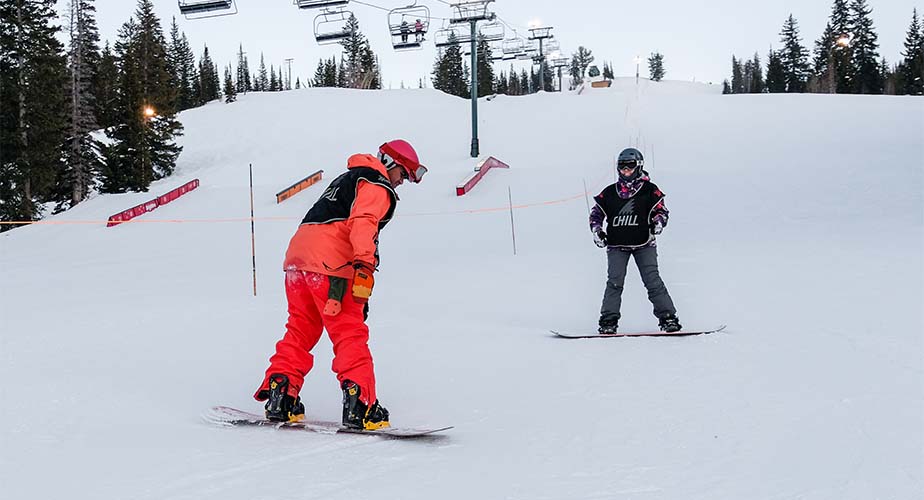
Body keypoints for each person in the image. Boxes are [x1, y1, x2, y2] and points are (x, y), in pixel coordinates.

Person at [254, 140, 428, 429]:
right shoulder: (376, 184)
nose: (402, 182)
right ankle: (361, 404)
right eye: (403, 174)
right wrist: (363, 264)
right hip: (332, 267)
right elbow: (363, 221)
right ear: (390, 164)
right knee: (349, 331)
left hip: (297, 264)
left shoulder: (348, 178)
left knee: (300, 328)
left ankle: (281, 394)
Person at [589, 147, 682, 334]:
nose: (626, 171)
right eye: (622, 167)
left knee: (652, 281)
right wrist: (596, 230)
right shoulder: (609, 192)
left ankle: (668, 317)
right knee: (614, 282)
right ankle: (608, 320)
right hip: (617, 244)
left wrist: (658, 222)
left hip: (644, 243)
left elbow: (661, 211)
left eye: (630, 167)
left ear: (638, 167)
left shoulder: (650, 190)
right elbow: (596, 213)